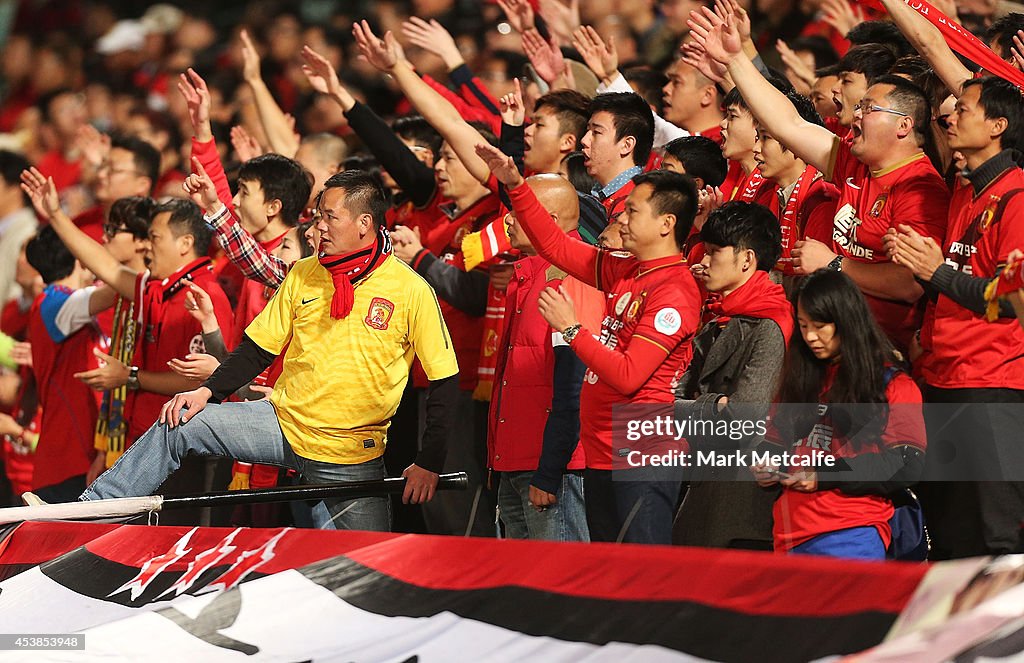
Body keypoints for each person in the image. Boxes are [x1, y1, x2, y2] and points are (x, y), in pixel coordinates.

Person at [76, 169, 460, 532]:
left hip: (351, 453)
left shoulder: (410, 289)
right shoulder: (302, 272)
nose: (317, 226)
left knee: (371, 566)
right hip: (282, 423)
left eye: (329, 216)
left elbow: (444, 378)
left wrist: (430, 461)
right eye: (318, 215)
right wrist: (206, 392)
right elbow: (256, 350)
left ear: (364, 224)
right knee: (180, 418)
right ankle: (91, 510)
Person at [478, 141, 702, 544]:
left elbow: (630, 375)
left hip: (641, 453)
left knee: (639, 580)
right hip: (603, 449)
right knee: (607, 577)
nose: (622, 218)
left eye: (633, 211)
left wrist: (571, 330)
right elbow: (556, 245)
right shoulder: (627, 271)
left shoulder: (675, 291)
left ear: (666, 223)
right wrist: (515, 184)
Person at [697, 13, 950, 352]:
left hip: (878, 351)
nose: (856, 114)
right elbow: (790, 125)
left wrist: (834, 263)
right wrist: (735, 59)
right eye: (858, 106)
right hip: (831, 343)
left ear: (903, 126)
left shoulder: (922, 188)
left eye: (869, 108)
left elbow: (909, 283)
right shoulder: (854, 163)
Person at [885, 77, 1024, 558]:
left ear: (998, 126)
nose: (950, 117)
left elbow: (1011, 298)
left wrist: (936, 271)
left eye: (963, 109)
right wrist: (919, 265)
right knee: (946, 531)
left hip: (993, 386)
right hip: (942, 380)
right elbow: (954, 279)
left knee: (995, 536)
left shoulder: (1017, 197)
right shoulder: (965, 191)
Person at [755, 270, 926, 560]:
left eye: (821, 326)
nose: (810, 336)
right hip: (787, 534)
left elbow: (906, 464)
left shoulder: (893, 385)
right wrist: (766, 464)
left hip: (852, 533)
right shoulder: (799, 379)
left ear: (846, 321)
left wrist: (822, 474)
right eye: (803, 325)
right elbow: (774, 440)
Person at [674, 202, 793, 550]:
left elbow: (746, 416)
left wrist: (701, 407)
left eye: (714, 252)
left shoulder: (771, 324)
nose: (704, 261)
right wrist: (715, 406)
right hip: (704, 476)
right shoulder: (718, 316)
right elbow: (669, 402)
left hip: (742, 495)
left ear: (747, 260)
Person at [23, 226, 104, 502]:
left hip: (86, 454)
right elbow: (120, 290)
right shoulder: (54, 302)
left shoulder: (59, 302)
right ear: (80, 257)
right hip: (69, 459)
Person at [581, 92, 656, 223]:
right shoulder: (602, 195)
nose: (584, 140)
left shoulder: (635, 203)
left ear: (626, 145)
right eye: (587, 131)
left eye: (596, 132)